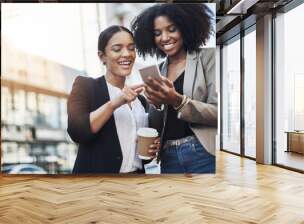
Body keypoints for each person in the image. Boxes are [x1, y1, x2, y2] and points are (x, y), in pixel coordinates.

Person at [131, 3, 217, 173]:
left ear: (185, 27)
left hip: (202, 152)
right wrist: (155, 104)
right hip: (169, 157)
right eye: (157, 33)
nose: (164, 37)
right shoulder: (158, 70)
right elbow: (159, 123)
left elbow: (218, 113)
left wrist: (178, 101)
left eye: (171, 29)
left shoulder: (208, 57)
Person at [67, 25, 160, 174]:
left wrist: (153, 148)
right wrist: (114, 103)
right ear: (102, 56)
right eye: (117, 49)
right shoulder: (86, 86)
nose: (127, 54)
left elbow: (140, 155)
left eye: (131, 48)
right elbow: (77, 132)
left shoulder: (140, 101)